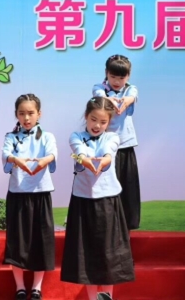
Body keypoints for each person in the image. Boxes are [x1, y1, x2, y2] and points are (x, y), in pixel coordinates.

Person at [61, 97, 135, 300]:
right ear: (86, 116)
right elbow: (79, 154)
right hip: (82, 201)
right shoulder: (75, 136)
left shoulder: (112, 137)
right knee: (86, 254)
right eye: (93, 120)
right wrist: (86, 161)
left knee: (109, 253)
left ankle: (107, 297)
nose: (97, 125)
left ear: (109, 122)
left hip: (108, 201)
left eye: (103, 122)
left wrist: (103, 162)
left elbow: (109, 154)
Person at [2, 94, 57, 300]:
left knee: (41, 241)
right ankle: (19, 287)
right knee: (17, 242)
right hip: (18, 194)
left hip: (40, 194)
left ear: (39, 114)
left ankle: (36, 287)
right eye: (22, 113)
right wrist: (16, 160)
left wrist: (44, 161)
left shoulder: (47, 136)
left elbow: (52, 154)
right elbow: (6, 155)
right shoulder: (10, 137)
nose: (26, 118)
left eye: (31, 113)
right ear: (16, 114)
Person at [92, 54, 141, 230]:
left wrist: (126, 101)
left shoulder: (130, 89)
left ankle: (127, 224)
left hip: (125, 145)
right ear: (106, 73)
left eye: (121, 77)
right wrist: (109, 100)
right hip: (105, 147)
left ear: (128, 76)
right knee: (106, 186)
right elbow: (99, 96)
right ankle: (107, 224)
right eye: (113, 76)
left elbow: (132, 96)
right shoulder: (100, 88)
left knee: (127, 186)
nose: (117, 81)